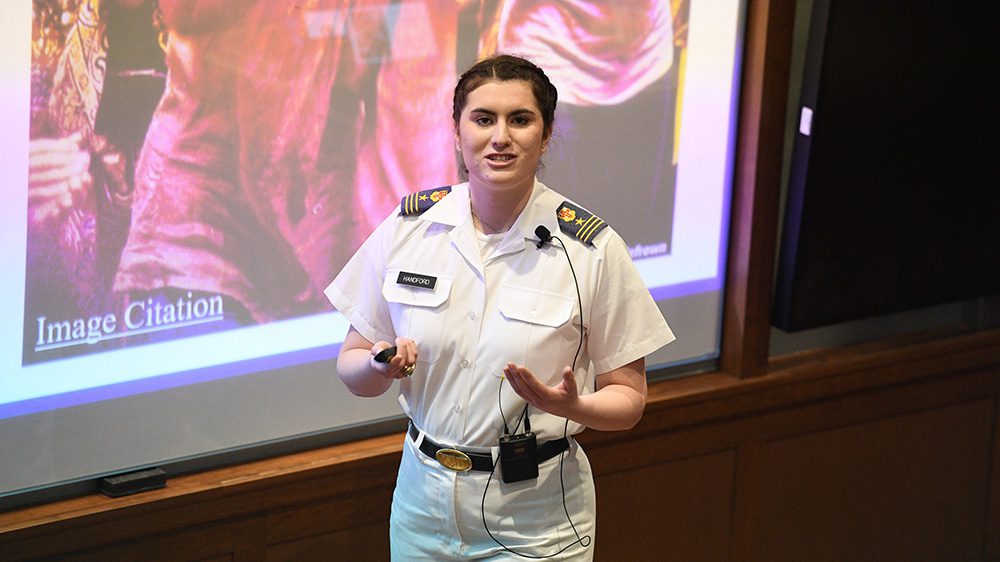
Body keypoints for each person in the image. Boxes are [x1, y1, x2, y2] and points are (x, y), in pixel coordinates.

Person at [325, 54, 674, 560]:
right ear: (457, 129)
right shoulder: (409, 228)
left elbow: (629, 399)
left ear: (547, 134)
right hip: (422, 507)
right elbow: (352, 366)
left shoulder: (590, 249)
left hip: (536, 517)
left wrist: (570, 406)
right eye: (483, 118)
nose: (500, 137)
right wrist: (380, 363)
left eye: (521, 119)